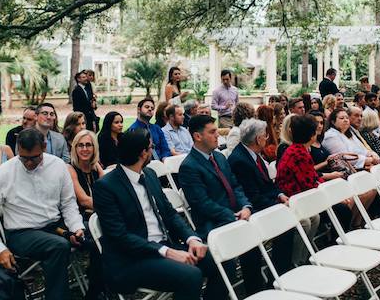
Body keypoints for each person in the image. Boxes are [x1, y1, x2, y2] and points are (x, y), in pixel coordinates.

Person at [92, 129, 227, 300]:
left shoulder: (149, 174)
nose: (153, 150)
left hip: (164, 246)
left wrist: (192, 239)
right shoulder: (106, 187)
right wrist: (167, 252)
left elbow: (170, 214)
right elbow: (120, 236)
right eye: (151, 147)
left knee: (221, 258)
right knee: (191, 275)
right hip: (132, 259)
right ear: (143, 153)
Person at [0, 128, 85, 300]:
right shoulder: (2, 174)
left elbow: (68, 204)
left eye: (34, 157)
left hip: (56, 226)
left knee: (100, 234)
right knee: (58, 246)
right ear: (18, 149)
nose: (29, 163)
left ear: (44, 147)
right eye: (23, 157)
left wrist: (77, 227)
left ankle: (98, 289)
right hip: (22, 233)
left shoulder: (57, 166)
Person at [179, 115, 264, 296]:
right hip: (213, 224)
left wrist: (246, 207)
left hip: (236, 215)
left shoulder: (219, 157)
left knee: (254, 244)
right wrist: (232, 217)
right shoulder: (189, 166)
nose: (218, 135)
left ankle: (255, 292)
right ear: (197, 136)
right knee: (229, 263)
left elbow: (235, 186)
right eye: (212, 132)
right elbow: (202, 204)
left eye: (217, 130)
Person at [227, 119, 294, 273]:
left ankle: (281, 270)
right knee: (286, 224)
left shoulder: (253, 154)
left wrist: (280, 194)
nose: (267, 138)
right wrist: (277, 206)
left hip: (262, 202)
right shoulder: (240, 160)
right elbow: (252, 196)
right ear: (258, 139)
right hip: (251, 209)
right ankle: (279, 273)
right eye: (265, 136)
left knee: (287, 221)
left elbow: (267, 184)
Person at [275, 115, 352, 232]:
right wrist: (334, 196)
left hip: (303, 195)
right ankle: (335, 242)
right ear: (311, 135)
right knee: (343, 210)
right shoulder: (298, 154)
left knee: (343, 206)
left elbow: (312, 178)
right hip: (299, 199)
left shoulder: (298, 150)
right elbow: (309, 184)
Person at [68, 130, 104, 219]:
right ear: (75, 148)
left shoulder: (96, 166)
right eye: (80, 145)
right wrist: (110, 207)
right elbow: (84, 201)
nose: (84, 149)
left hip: (98, 213)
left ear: (94, 147)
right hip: (79, 217)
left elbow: (107, 191)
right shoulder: (70, 168)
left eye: (88, 145)